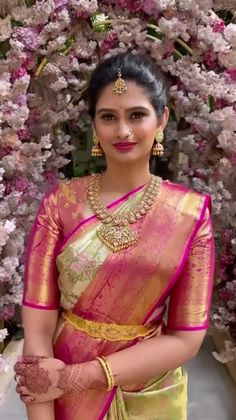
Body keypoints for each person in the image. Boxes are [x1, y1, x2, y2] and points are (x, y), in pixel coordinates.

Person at [14, 52, 215, 420]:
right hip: (60, 392)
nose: (123, 131)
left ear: (162, 120)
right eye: (109, 117)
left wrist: (78, 377)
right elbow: (38, 329)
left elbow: (186, 338)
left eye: (137, 115)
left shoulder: (190, 213)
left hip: (146, 390)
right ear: (94, 126)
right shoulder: (61, 204)